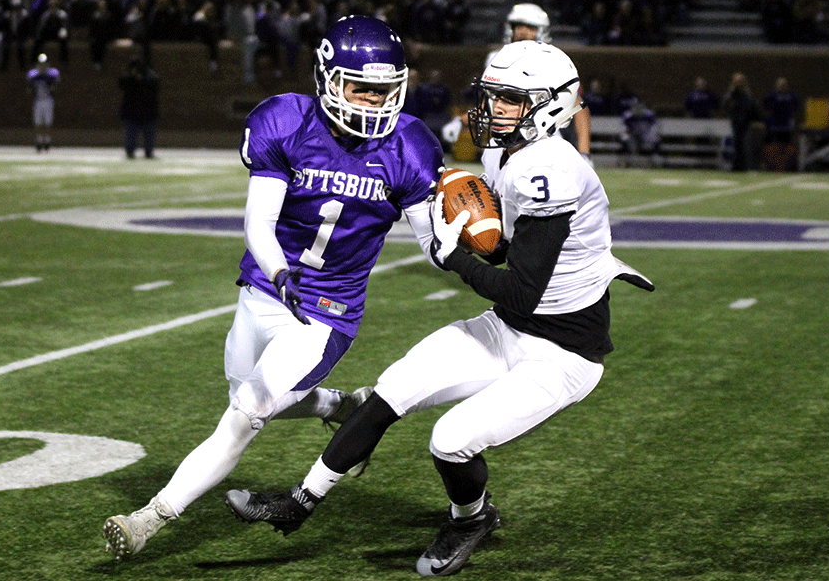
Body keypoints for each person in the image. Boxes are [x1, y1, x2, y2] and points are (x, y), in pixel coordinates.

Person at [225, 40, 654, 577]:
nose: (494, 109)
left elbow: (522, 289)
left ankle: (471, 517)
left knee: (450, 440)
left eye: (511, 100)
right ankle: (300, 500)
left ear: (551, 106)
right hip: (509, 327)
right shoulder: (505, 152)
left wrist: (455, 257)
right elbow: (507, 250)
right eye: (493, 96)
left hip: (564, 352)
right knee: (391, 389)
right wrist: (478, 236)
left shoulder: (554, 171)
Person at [102, 15, 447, 561]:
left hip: (325, 312)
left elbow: (435, 247)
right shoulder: (286, 121)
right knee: (243, 391)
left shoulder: (409, 146)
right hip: (265, 288)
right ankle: (339, 404)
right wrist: (279, 273)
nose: (374, 102)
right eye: (361, 87)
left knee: (246, 413)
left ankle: (152, 517)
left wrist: (461, 235)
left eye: (385, 89)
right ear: (328, 77)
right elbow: (259, 222)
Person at [441, 3, 592, 165]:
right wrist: (462, 121)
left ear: (541, 31)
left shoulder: (553, 60)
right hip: (505, 142)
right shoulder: (497, 58)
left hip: (542, 141)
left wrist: (584, 152)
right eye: (518, 26)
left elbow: (577, 106)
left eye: (530, 27)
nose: (522, 31)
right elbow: (492, 107)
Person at [118, 56, 160, 159]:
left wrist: (142, 79)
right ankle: (130, 151)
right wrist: (133, 77)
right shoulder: (128, 77)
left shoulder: (150, 76)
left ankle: (148, 152)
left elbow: (154, 85)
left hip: (147, 111)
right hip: (132, 112)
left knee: (149, 136)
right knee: (130, 136)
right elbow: (122, 83)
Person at [722, 72, 764, 171]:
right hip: (735, 123)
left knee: (744, 145)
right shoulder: (731, 95)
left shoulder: (747, 95)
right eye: (736, 81)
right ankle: (737, 166)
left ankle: (745, 166)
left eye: (740, 81)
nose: (738, 83)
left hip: (746, 123)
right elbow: (725, 106)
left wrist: (756, 120)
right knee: (737, 145)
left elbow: (753, 108)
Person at [26, 53, 59, 152]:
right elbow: (29, 89)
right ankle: (39, 141)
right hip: (38, 101)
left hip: (48, 100)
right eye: (41, 64)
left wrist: (49, 84)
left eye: (44, 64)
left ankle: (47, 141)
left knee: (48, 122)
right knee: (38, 122)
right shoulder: (33, 75)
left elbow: (55, 87)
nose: (43, 66)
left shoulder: (52, 74)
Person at [619, 98, 661, 167]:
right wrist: (628, 135)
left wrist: (647, 137)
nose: (637, 108)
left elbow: (654, 129)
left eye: (639, 106)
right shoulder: (628, 116)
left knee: (655, 139)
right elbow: (624, 129)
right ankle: (625, 160)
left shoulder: (649, 115)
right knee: (625, 138)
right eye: (635, 106)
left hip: (646, 136)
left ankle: (655, 159)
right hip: (633, 136)